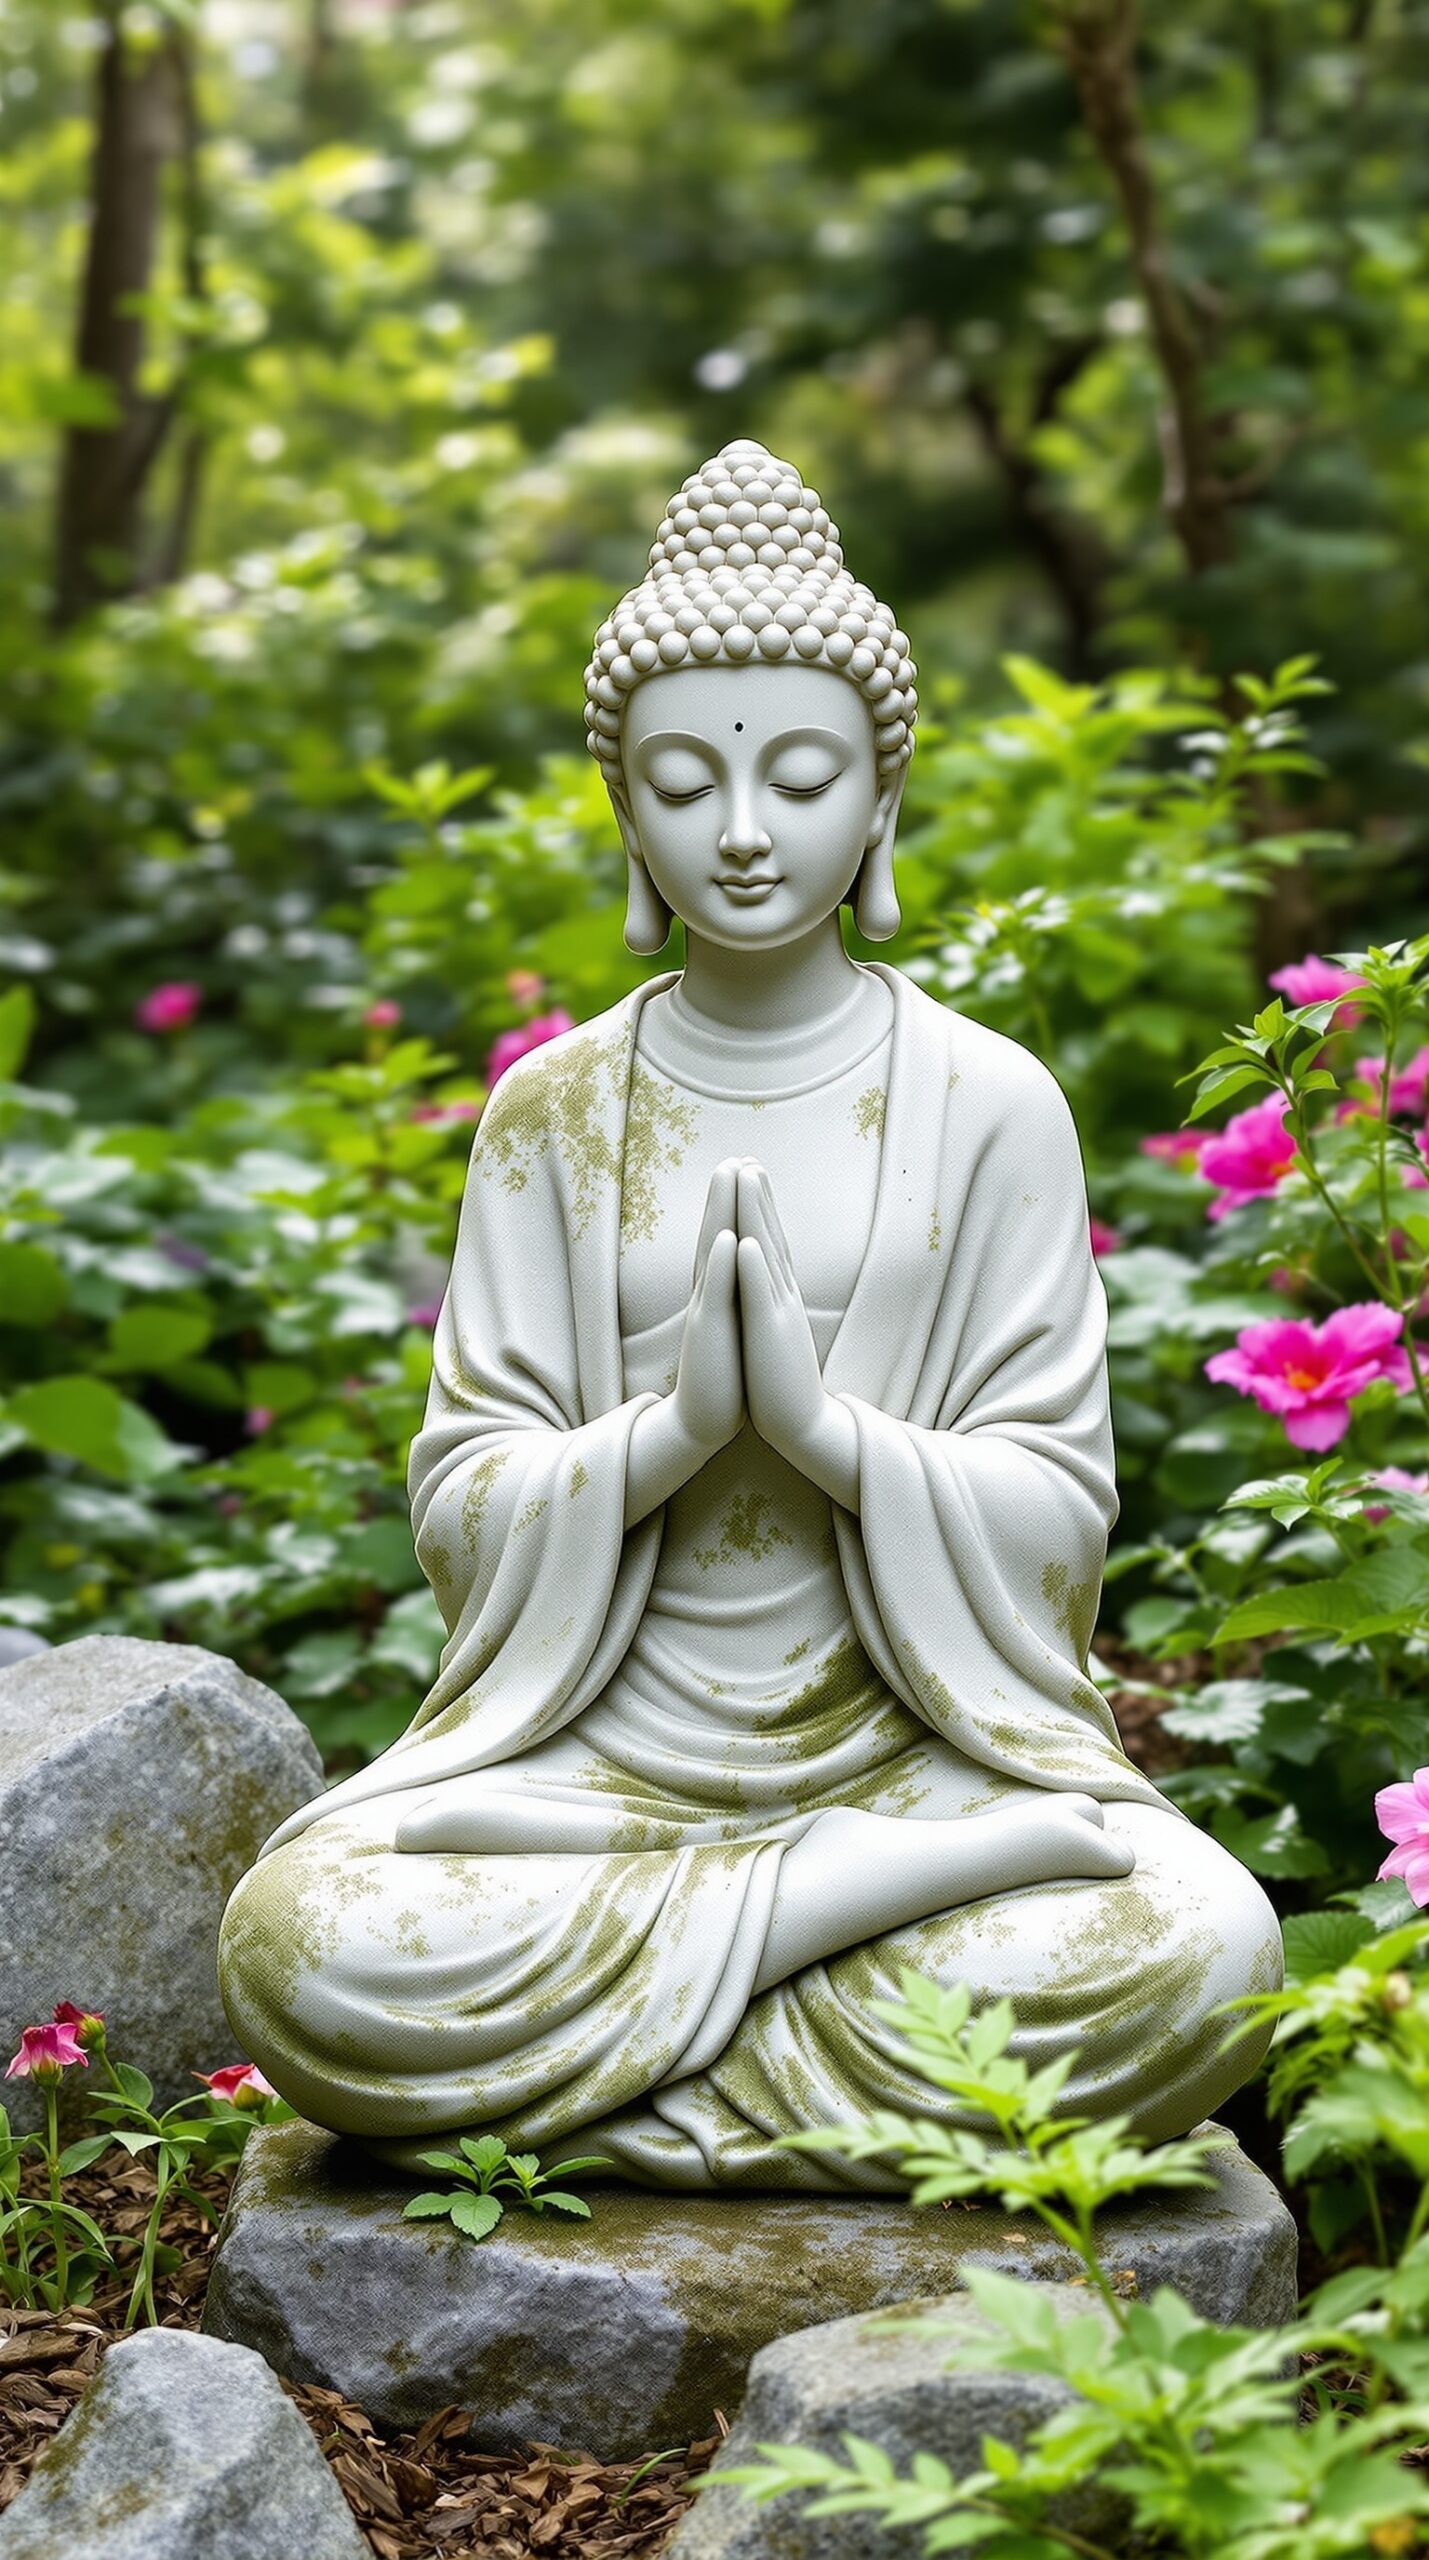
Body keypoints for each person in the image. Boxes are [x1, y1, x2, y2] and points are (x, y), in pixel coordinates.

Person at [218, 442, 1280, 2189]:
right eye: (682, 779)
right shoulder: (553, 1109)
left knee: (1200, 1949)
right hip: (598, 1767)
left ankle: (649, 2060)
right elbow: (465, 1488)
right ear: (621, 804)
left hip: (911, 1757)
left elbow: (1058, 1507)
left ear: (879, 799)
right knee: (303, 1936)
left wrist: (827, 1437)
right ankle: (824, 1977)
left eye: (800, 774)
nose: (741, 829)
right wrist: (668, 1436)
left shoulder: (985, 1100)